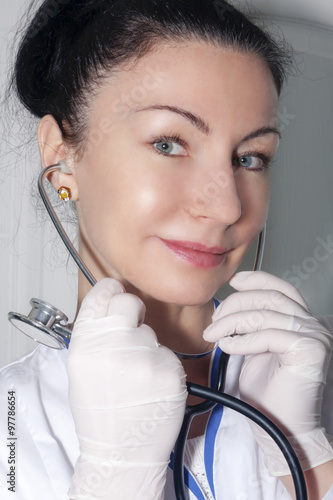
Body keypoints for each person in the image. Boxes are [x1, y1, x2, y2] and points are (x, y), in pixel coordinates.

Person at [0, 0, 332, 498]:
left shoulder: (312, 384)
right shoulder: (11, 420)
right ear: (62, 156)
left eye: (250, 157)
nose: (225, 205)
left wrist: (305, 458)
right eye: (169, 144)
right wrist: (117, 480)